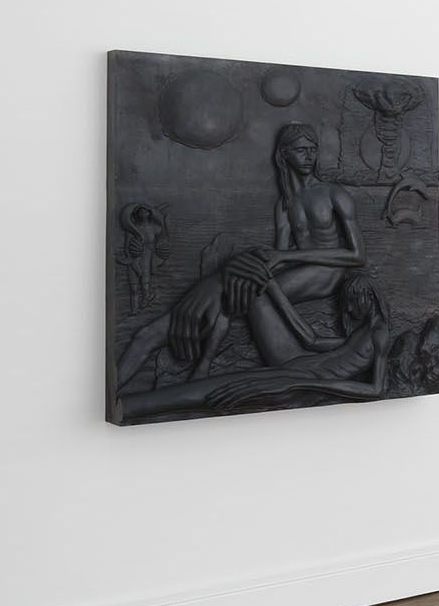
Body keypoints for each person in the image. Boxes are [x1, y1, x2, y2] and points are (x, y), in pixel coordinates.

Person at [114, 123, 368, 392]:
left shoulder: (333, 193)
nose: (309, 156)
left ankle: (202, 363)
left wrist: (282, 257)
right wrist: (254, 262)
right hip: (299, 270)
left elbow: (357, 255)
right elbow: (278, 258)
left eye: (313, 149)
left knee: (241, 286)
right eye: (301, 150)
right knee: (233, 284)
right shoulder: (285, 204)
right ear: (284, 154)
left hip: (328, 272)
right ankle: (145, 348)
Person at [117, 274, 391, 420]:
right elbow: (312, 341)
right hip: (297, 368)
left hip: (300, 383)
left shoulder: (379, 334)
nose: (348, 309)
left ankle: (128, 406)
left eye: (352, 301)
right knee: (207, 389)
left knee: (210, 392)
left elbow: (376, 389)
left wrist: (303, 384)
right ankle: (127, 401)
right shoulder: (361, 332)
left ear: (367, 297)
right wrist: (272, 287)